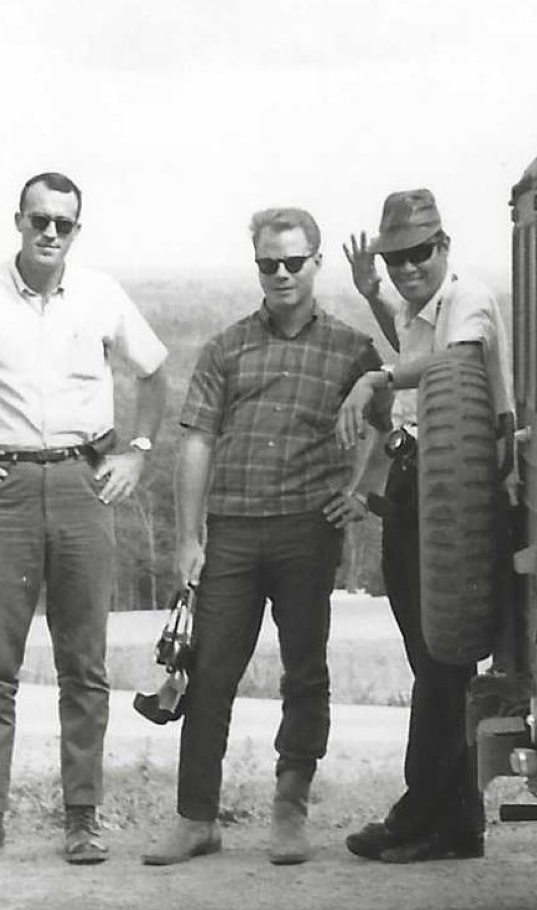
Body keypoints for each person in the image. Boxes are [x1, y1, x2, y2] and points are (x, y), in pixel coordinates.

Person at [0, 172, 169, 868]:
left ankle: (82, 820)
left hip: (85, 481)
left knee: (85, 663)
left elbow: (155, 372)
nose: (51, 233)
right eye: (40, 220)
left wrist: (137, 452)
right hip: (2, 487)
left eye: (65, 224)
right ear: (17, 220)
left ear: (78, 230)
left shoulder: (102, 294)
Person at [142, 207, 388, 868]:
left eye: (292, 261)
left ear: (316, 263)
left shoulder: (349, 349)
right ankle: (196, 819)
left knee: (305, 671)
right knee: (208, 673)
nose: (280, 274)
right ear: (257, 265)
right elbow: (194, 440)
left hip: (308, 529)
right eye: (267, 263)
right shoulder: (226, 347)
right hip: (233, 532)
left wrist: (362, 492)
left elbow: (394, 419)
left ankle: (290, 811)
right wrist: (187, 538)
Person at [335, 188, 513, 863]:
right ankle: (455, 819)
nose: (407, 269)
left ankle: (421, 812)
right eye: (396, 258)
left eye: (418, 255)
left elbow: (448, 362)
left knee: (442, 661)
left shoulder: (470, 301)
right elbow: (414, 335)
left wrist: (372, 379)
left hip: (458, 492)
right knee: (430, 659)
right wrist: (372, 295)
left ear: (445, 248)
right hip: (418, 483)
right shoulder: (423, 308)